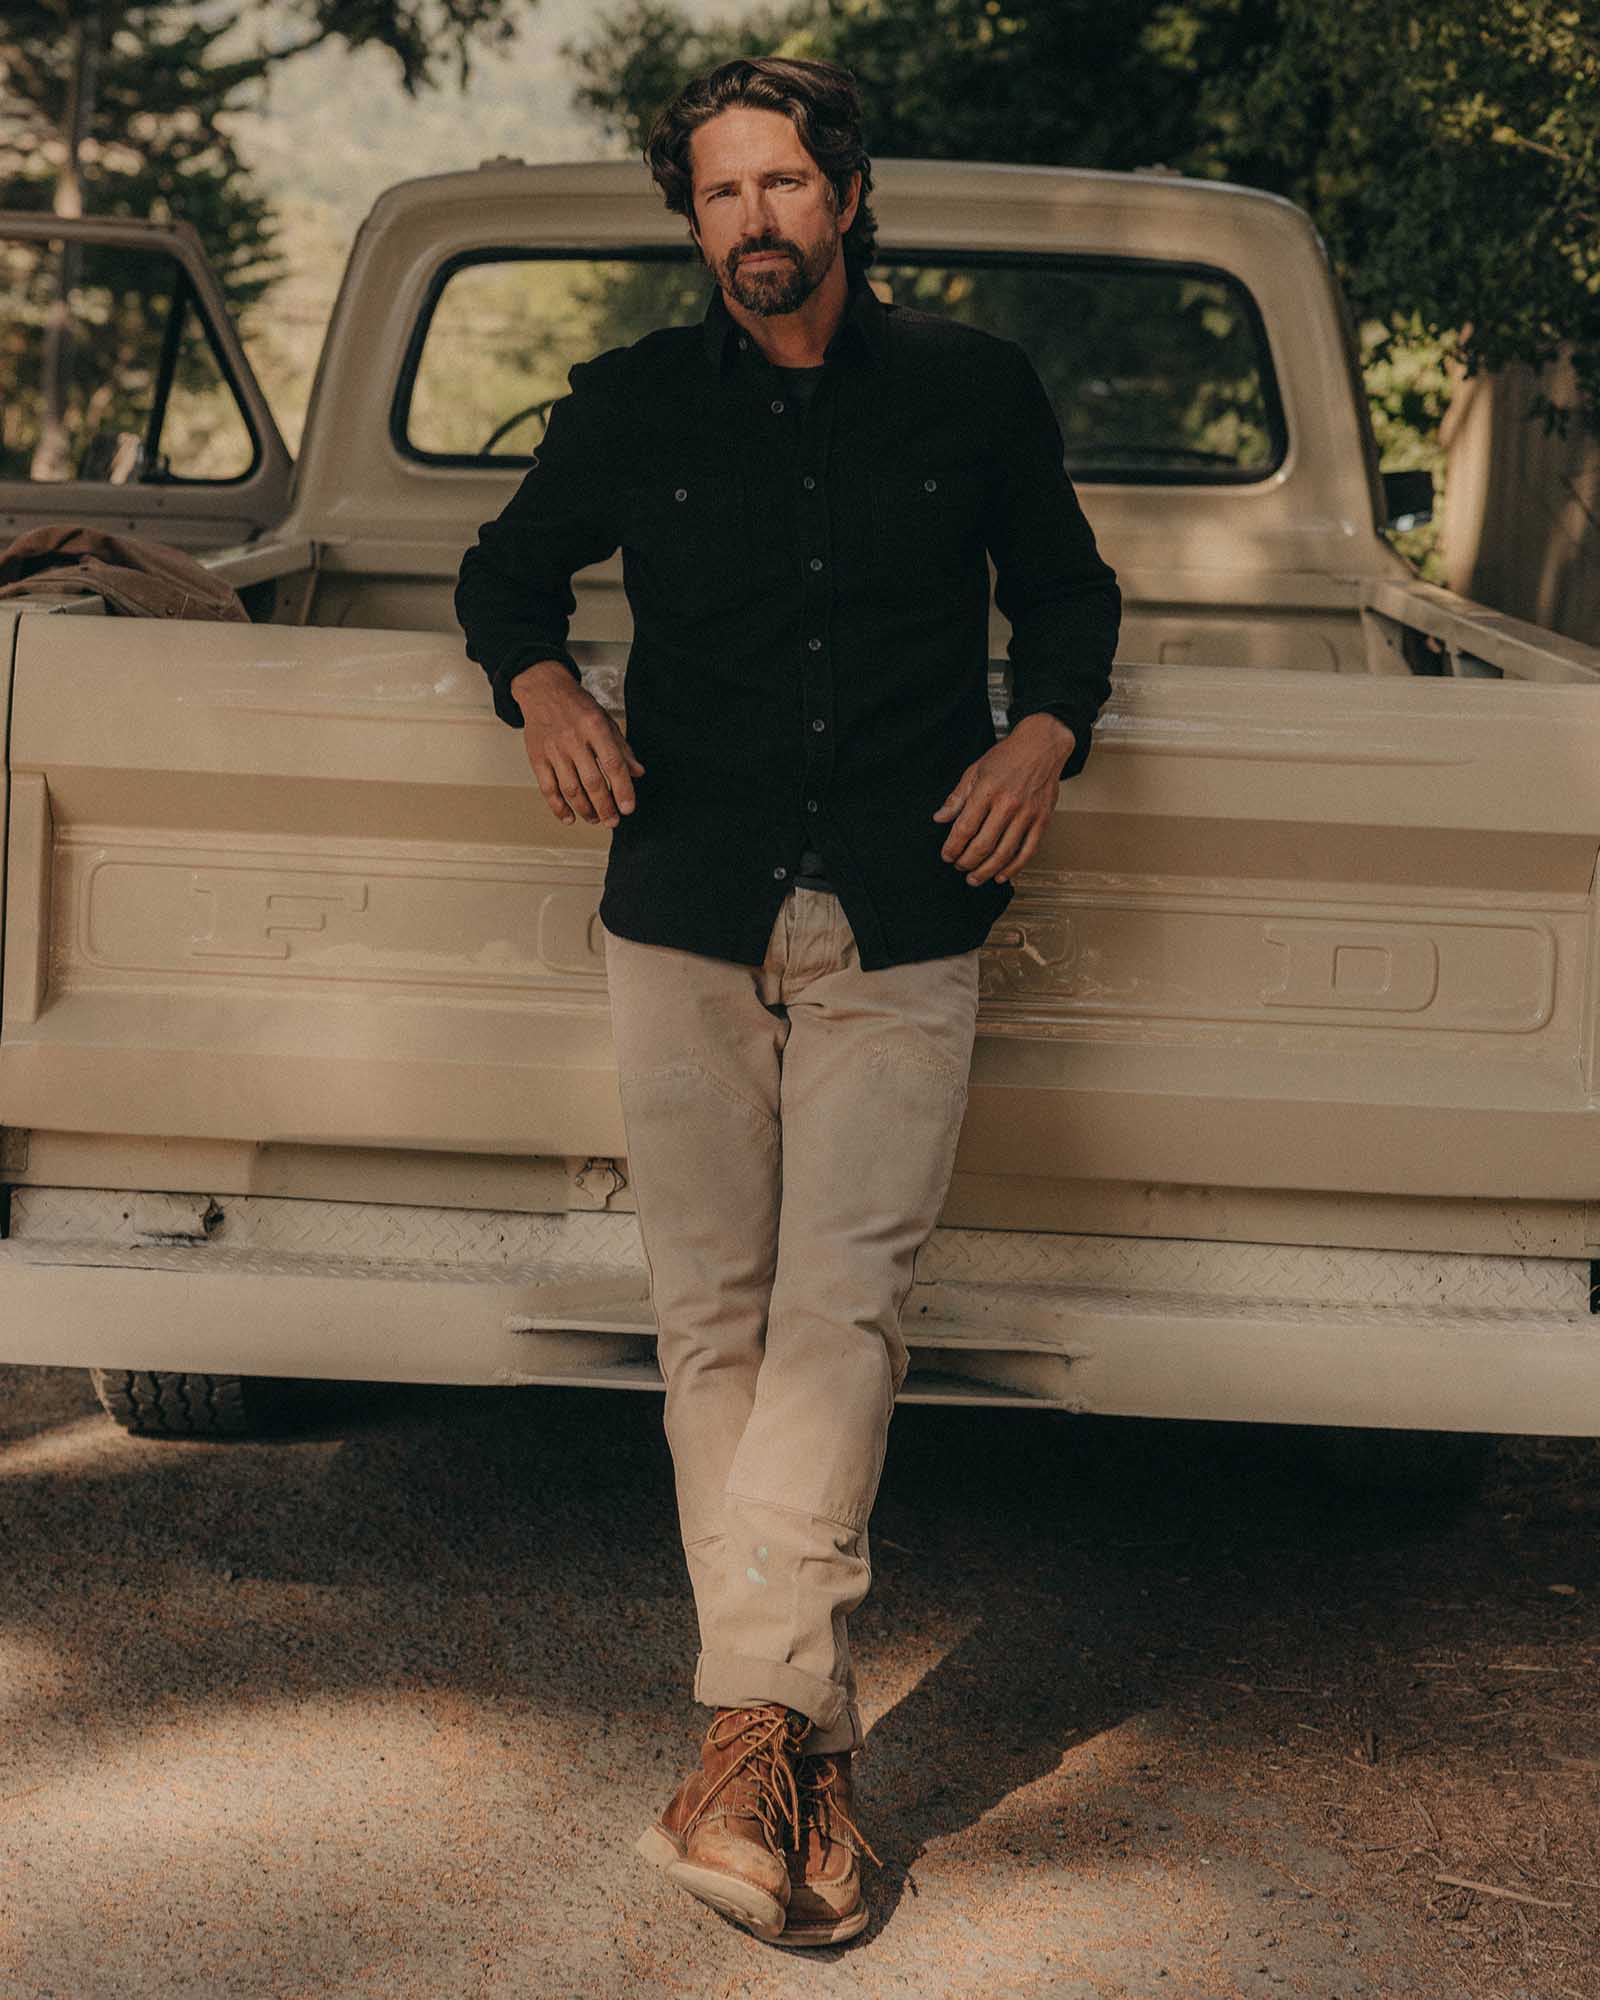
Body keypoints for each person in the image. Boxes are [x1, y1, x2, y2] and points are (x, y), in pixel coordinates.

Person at [454, 54, 1120, 1948]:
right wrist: (551, 692)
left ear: (848, 196)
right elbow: (505, 577)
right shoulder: (637, 404)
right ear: (695, 223)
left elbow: (1070, 600)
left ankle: (739, 1730)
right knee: (710, 1322)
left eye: (784, 186)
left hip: (907, 912)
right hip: (681, 906)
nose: (754, 221)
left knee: (848, 1308)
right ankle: (798, 1761)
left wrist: (1046, 734)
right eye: (720, 195)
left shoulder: (976, 392)